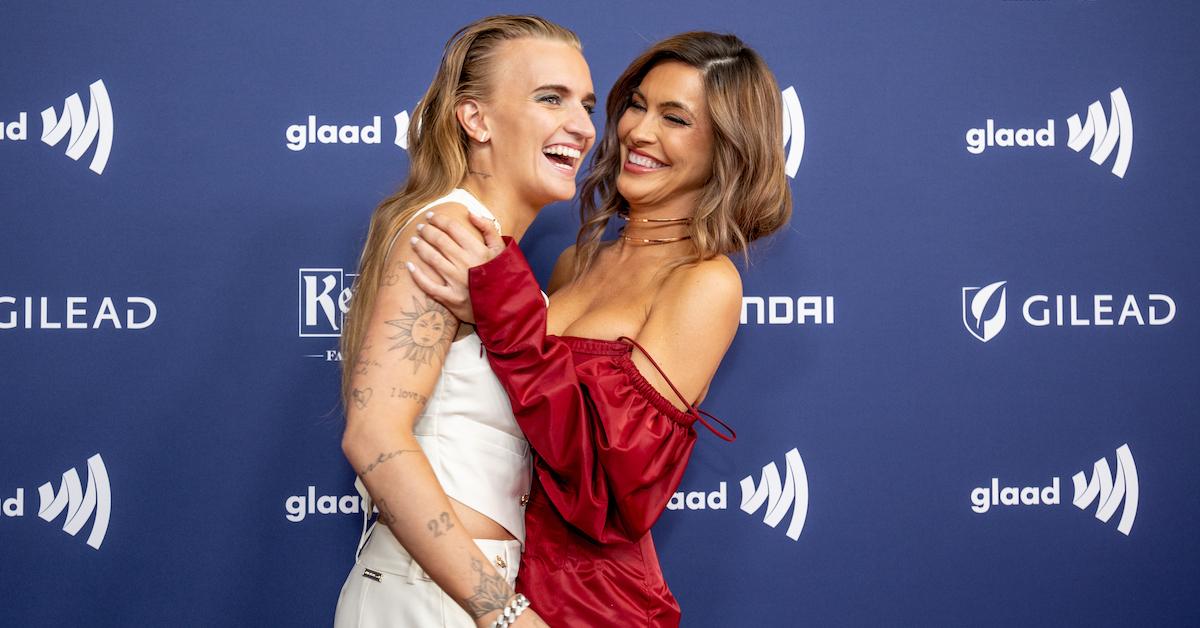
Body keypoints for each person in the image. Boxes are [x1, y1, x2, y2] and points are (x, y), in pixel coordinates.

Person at [407, 31, 791, 627]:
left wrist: (500, 308)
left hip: (589, 608)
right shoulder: (574, 262)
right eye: (636, 105)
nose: (639, 131)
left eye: (675, 118)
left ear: (727, 150)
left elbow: (614, 487)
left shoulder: (705, 282)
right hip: (491, 583)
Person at [334, 15, 595, 628]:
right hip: (435, 596)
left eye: (585, 104)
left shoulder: (490, 251)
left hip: (456, 589)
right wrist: (501, 611)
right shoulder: (448, 229)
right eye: (549, 98)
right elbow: (373, 437)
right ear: (475, 119)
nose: (582, 127)